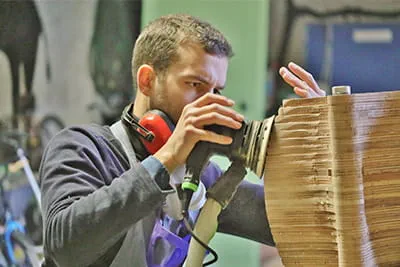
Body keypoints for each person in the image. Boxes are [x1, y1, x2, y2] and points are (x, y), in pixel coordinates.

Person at [39, 14, 324, 267]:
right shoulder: (83, 147)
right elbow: (65, 248)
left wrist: (323, 143)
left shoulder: (199, 177)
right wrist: (167, 157)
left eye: (216, 89)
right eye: (195, 85)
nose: (210, 102)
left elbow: (295, 224)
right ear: (147, 81)